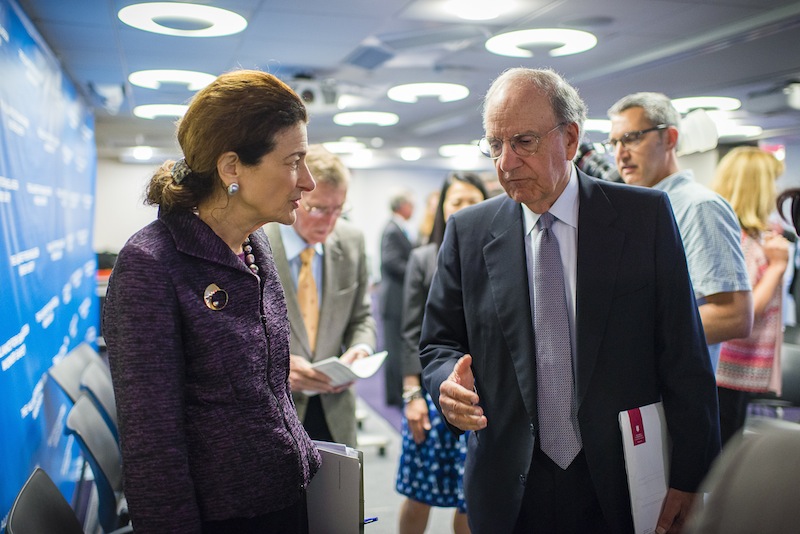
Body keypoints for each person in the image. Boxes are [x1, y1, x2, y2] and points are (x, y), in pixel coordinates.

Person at [420, 67, 721, 534]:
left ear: (570, 138)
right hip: (508, 483)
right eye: (494, 145)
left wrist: (690, 476)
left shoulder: (644, 219)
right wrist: (447, 386)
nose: (505, 163)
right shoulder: (468, 232)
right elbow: (437, 344)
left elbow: (685, 358)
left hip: (623, 479)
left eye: (523, 141)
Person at [102, 70, 321, 533]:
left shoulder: (254, 246)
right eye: (293, 161)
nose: (308, 182)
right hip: (223, 517)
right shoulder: (151, 264)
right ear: (231, 168)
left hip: (282, 498)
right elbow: (152, 446)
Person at [606, 92, 753, 371]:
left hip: (676, 394)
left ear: (670, 138)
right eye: (614, 142)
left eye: (633, 138)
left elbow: (733, 316)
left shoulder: (699, 207)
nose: (620, 154)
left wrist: (628, 330)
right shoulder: (639, 209)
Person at [264, 144, 376, 448]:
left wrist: (360, 349)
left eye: (338, 209)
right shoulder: (258, 243)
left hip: (334, 406)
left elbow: (362, 317)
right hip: (274, 410)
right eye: (318, 209)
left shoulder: (350, 241)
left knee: (337, 494)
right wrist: (278, 369)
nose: (329, 221)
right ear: (296, 196)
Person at [396, 172, 487, 534]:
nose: (465, 209)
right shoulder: (423, 258)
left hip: (481, 398)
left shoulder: (499, 253)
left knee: (471, 499)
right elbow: (409, 332)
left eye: (473, 200)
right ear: (443, 208)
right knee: (420, 494)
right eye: (457, 201)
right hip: (433, 394)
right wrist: (412, 394)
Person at [710, 146, 789, 446]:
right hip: (724, 372)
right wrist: (777, 267)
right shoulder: (737, 238)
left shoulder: (756, 237)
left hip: (739, 371)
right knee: (722, 457)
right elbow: (743, 312)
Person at [380, 190, 415, 407]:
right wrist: (415, 270)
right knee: (394, 350)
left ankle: (397, 393)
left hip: (399, 300)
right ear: (401, 206)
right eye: (411, 204)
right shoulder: (392, 229)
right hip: (393, 301)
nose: (414, 209)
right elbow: (391, 261)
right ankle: (394, 396)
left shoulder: (398, 228)